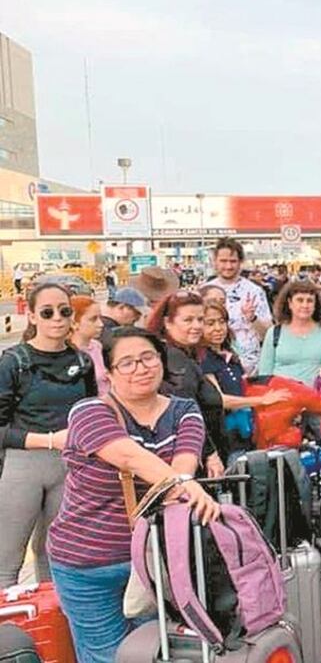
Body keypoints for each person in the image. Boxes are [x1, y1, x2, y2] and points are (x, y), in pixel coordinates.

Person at [46, 327, 219, 663]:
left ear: (161, 361)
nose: (140, 368)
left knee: (158, 651)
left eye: (147, 357)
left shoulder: (184, 410)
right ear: (109, 373)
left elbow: (184, 465)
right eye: (126, 363)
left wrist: (183, 482)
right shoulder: (88, 412)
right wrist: (184, 484)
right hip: (86, 563)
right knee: (105, 656)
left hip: (155, 559)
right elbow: (129, 457)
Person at [0, 283, 98, 588]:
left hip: (69, 467)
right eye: (47, 312)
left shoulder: (83, 362)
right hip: (22, 466)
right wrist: (51, 440)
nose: (57, 318)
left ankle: (53, 626)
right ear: (31, 316)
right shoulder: (13, 362)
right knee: (7, 560)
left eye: (64, 311)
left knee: (56, 556)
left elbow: (91, 412)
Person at [146, 291, 225, 478]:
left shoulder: (180, 355)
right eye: (188, 320)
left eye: (200, 319)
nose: (197, 326)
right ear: (167, 322)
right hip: (193, 458)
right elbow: (186, 412)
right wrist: (210, 454)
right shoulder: (175, 360)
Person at [199, 300, 289, 464]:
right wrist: (262, 400)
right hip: (224, 437)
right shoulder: (204, 359)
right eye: (210, 323)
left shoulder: (230, 355)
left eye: (222, 322)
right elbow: (220, 400)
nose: (218, 328)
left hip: (246, 431)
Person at [206, 238, 273, 375]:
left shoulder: (254, 291)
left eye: (233, 261)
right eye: (223, 261)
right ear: (215, 262)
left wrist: (252, 318)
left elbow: (268, 334)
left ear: (240, 263)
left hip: (250, 367)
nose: (228, 266)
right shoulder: (204, 291)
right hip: (213, 364)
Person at [257, 280, 321, 387]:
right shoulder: (274, 333)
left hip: (317, 398)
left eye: (310, 301)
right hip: (282, 398)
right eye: (300, 300)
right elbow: (264, 374)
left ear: (315, 305)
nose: (305, 305)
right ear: (290, 303)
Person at [70, 295, 109, 396]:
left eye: (100, 318)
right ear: (74, 323)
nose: (101, 324)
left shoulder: (97, 346)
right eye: (93, 319)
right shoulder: (69, 353)